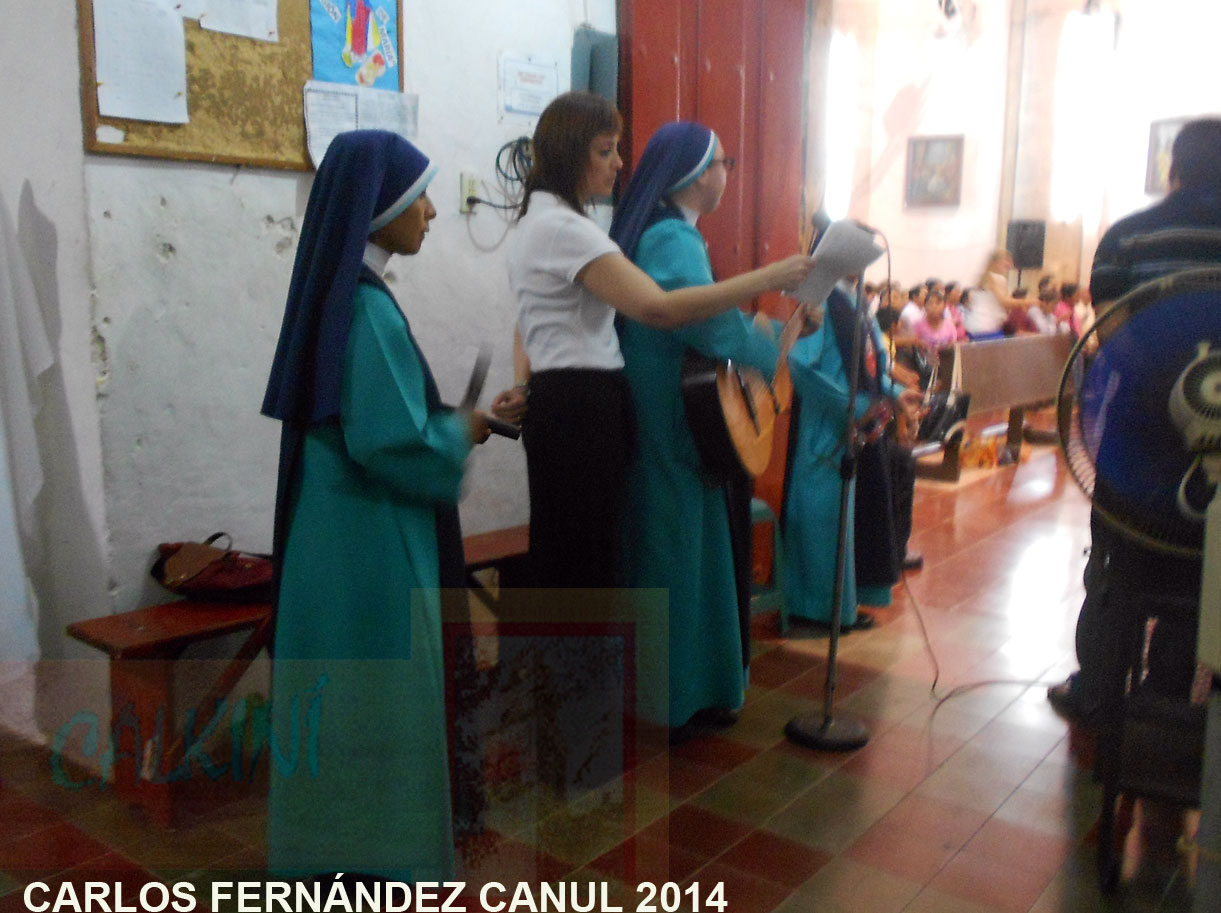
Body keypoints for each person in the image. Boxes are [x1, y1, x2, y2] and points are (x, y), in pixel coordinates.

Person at [261, 131, 488, 881]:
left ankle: (326, 853)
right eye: (419, 197)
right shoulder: (367, 310)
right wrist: (460, 432)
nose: (431, 212)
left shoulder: (338, 298)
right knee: (386, 698)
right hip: (371, 539)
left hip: (329, 530)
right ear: (380, 207)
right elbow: (395, 443)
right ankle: (384, 859)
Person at [496, 92, 812, 589]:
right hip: (583, 406)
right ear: (571, 153)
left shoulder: (544, 223)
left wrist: (525, 384)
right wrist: (769, 278)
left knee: (574, 560)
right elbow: (660, 308)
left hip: (566, 398)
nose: (619, 163)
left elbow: (528, 322)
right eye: (605, 150)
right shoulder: (568, 229)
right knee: (583, 569)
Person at [605, 121, 779, 735]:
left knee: (679, 538)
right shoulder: (672, 237)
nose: (728, 173)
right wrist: (768, 343)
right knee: (676, 545)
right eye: (723, 162)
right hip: (674, 409)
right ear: (697, 175)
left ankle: (683, 689)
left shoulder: (662, 231)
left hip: (667, 400)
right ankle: (675, 696)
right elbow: (705, 323)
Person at [1047, 117, 1221, 723]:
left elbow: (1111, 336)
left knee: (1116, 564)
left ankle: (1098, 689)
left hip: (1137, 442)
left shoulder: (1126, 238)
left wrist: (1161, 383)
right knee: (1202, 567)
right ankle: (1168, 692)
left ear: (1174, 168)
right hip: (1216, 449)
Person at [780, 282, 921, 629]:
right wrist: (853, 405)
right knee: (819, 516)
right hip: (823, 423)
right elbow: (801, 365)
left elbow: (871, 364)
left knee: (843, 517)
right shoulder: (820, 296)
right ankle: (812, 609)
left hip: (851, 423)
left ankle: (840, 605)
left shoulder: (854, 300)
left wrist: (894, 393)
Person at [962, 248, 1029, 339]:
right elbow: (1004, 302)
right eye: (1006, 260)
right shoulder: (993, 278)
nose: (1010, 265)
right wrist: (1030, 302)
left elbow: (1006, 304)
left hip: (982, 326)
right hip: (984, 327)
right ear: (996, 262)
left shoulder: (991, 278)